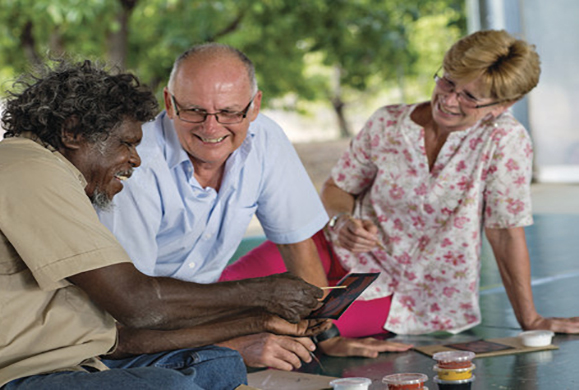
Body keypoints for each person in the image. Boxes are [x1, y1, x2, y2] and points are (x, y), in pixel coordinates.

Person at [0, 59, 330, 390]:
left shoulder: (56, 181)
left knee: (218, 364)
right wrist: (266, 293)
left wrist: (259, 321)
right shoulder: (26, 170)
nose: (135, 160)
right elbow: (140, 305)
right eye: (126, 143)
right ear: (73, 133)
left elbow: (119, 338)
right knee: (167, 386)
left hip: (50, 361)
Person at [223, 29, 579, 337]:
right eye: (448, 81)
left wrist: (530, 319)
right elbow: (337, 188)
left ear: (502, 105)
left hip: (408, 291)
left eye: (470, 97)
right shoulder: (387, 122)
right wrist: (342, 220)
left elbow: (505, 232)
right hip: (327, 247)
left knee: (274, 322)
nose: (449, 100)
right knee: (215, 293)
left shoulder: (505, 141)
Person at [98, 43, 411, 370]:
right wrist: (229, 345)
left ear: (255, 105)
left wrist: (326, 335)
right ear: (169, 103)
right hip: (118, 335)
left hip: (195, 316)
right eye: (194, 110)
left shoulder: (265, 139)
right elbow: (130, 308)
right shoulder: (135, 163)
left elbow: (298, 245)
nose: (211, 127)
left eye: (230, 112)